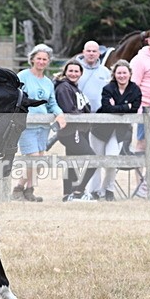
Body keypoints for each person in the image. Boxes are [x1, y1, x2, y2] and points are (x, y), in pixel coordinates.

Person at [13, 43, 66, 202]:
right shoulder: (23, 76)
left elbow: (52, 104)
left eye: (45, 59)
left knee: (39, 161)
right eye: (39, 58)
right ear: (32, 59)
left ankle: (30, 191)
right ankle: (18, 189)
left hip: (43, 126)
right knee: (33, 158)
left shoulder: (48, 83)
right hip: (26, 125)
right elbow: (14, 96)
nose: (42, 62)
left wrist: (59, 114)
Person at [90, 59, 142, 201]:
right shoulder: (108, 88)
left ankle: (107, 190)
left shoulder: (135, 89)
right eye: (119, 73)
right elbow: (107, 108)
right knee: (97, 161)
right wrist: (126, 106)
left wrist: (120, 107)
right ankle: (93, 191)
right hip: (100, 130)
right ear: (114, 74)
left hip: (119, 131)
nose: (122, 76)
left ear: (130, 74)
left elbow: (135, 109)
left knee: (112, 160)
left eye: (124, 73)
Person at [54, 60, 97, 201]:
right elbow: (68, 110)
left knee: (72, 162)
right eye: (70, 71)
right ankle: (79, 190)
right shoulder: (64, 87)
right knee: (93, 159)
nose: (73, 73)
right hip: (71, 131)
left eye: (76, 71)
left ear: (81, 73)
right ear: (65, 72)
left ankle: (68, 194)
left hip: (79, 130)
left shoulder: (74, 88)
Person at [75, 40, 112, 198]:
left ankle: (96, 189)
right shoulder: (76, 70)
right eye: (88, 51)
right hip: (79, 117)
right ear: (83, 52)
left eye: (94, 51)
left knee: (96, 155)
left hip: (99, 118)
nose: (91, 54)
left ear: (99, 53)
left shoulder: (105, 72)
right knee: (80, 155)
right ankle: (77, 188)